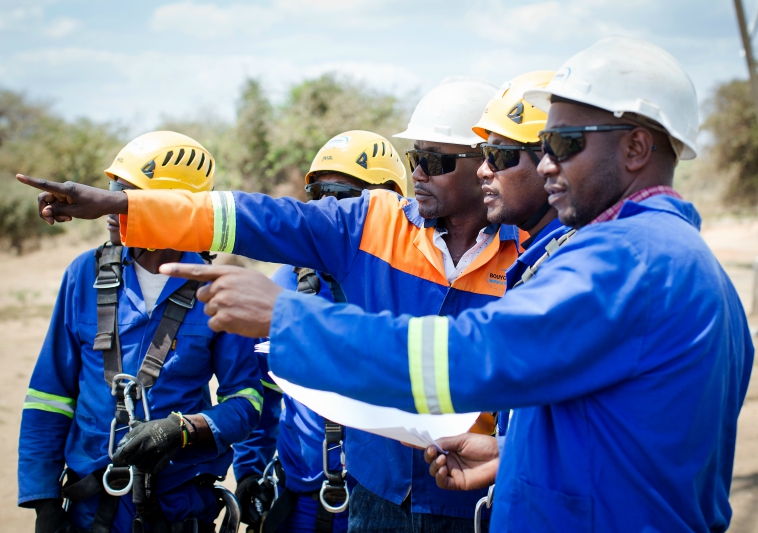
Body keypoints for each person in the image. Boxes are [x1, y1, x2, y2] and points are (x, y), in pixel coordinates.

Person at [158, 37, 753, 532]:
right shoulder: (685, 260)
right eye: (540, 148)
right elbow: (617, 443)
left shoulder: (627, 261)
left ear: (636, 147)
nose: (545, 164)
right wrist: (512, 456)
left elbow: (472, 358)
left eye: (564, 144)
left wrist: (287, 319)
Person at [20, 77, 517, 532]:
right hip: (378, 495)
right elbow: (255, 216)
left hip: (475, 499)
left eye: (435, 161)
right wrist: (122, 205)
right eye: (415, 158)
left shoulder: (532, 255)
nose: (418, 173)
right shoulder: (373, 223)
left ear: (487, 165)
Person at [17, 132, 273, 533]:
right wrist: (43, 501)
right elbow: (49, 396)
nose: (109, 205)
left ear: (173, 208)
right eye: (112, 190)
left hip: (179, 510)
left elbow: (246, 399)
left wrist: (184, 430)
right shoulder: (84, 275)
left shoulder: (220, 288)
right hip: (90, 508)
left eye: (126, 197)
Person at [232, 130, 407, 533]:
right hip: (301, 500)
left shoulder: (402, 286)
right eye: (318, 195)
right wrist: (249, 470)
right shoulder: (288, 283)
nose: (328, 213)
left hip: (384, 499)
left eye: (343, 199)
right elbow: (263, 387)